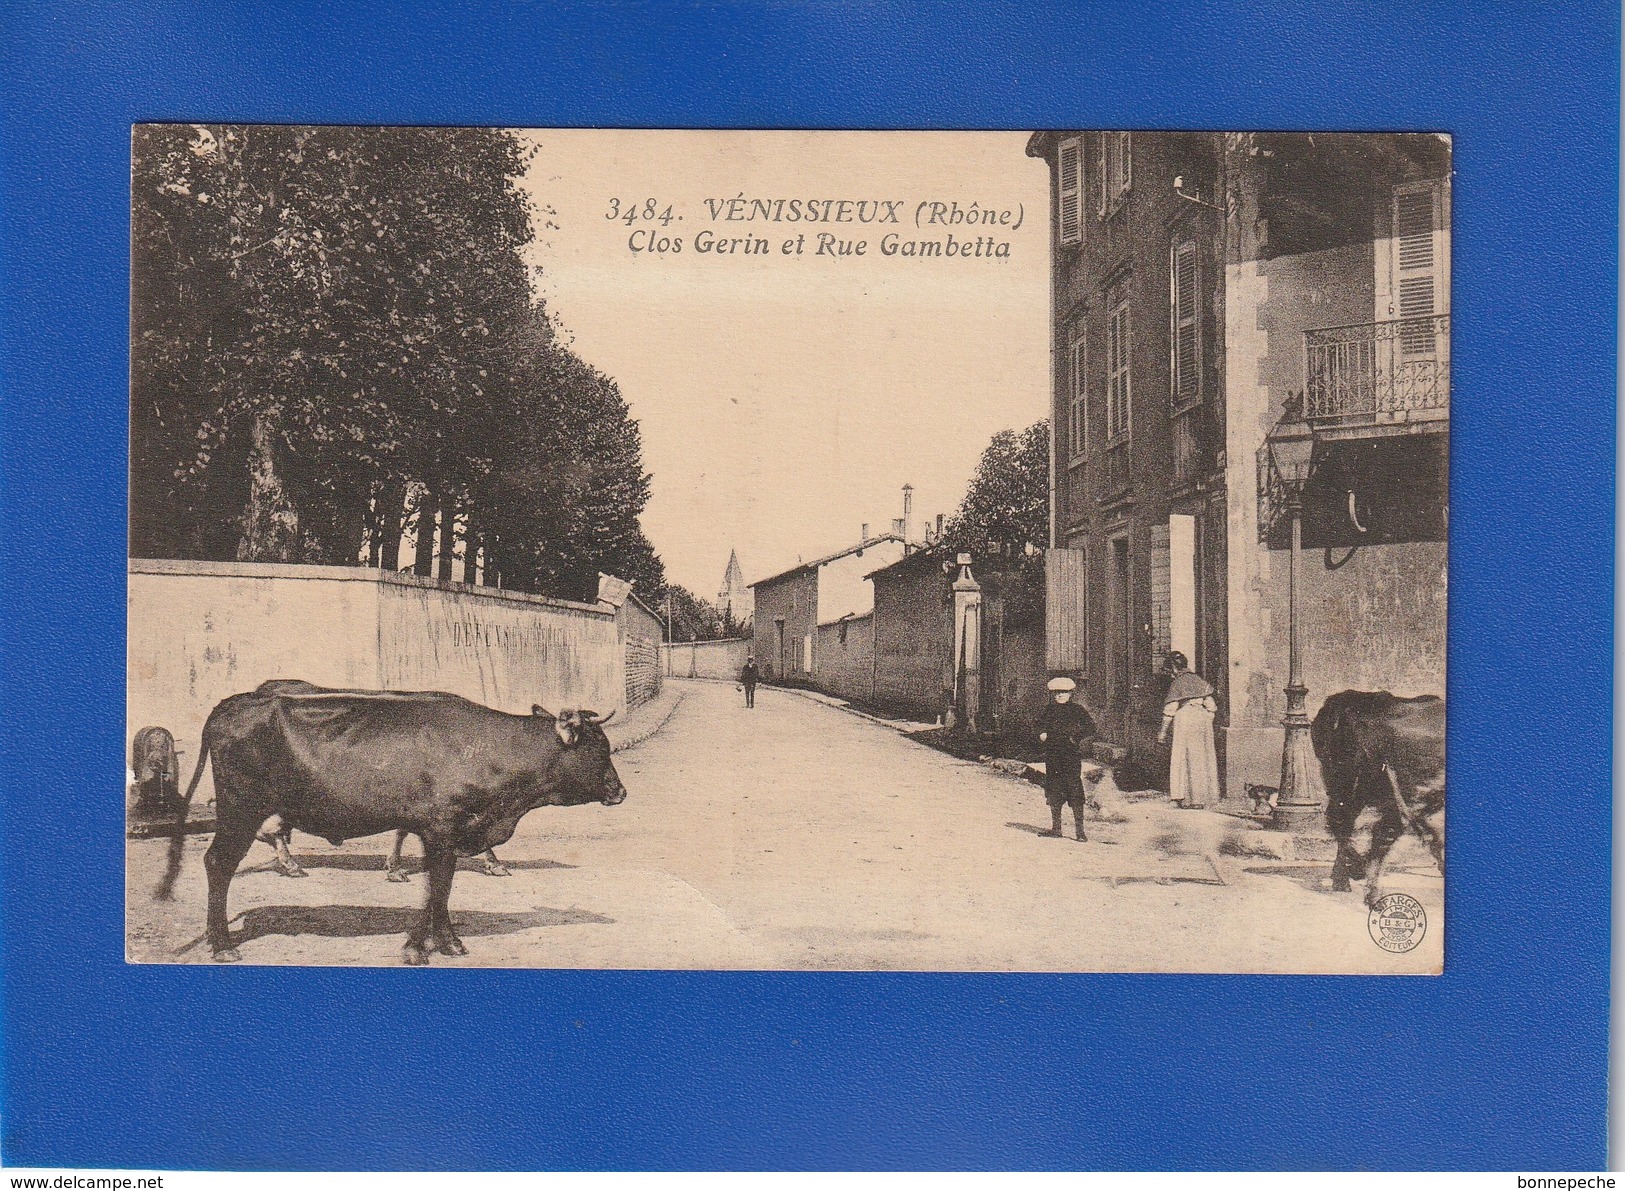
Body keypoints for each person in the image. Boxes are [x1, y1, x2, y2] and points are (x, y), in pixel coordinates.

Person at [1157, 651, 1220, 810]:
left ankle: (1184, 797)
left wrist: (1163, 732)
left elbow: (1169, 710)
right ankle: (1201, 798)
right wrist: (1206, 719)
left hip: (1184, 720)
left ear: (1174, 668)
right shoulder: (1199, 681)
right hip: (1202, 720)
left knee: (1183, 756)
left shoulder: (1178, 684)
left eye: (1170, 670)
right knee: (1201, 757)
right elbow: (1212, 707)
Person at [1036, 676, 1096, 842]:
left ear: (1071, 693)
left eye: (1063, 692)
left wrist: (1076, 738)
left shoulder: (1077, 710)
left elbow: (1091, 727)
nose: (1059, 695)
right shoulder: (1048, 710)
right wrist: (1041, 733)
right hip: (1053, 755)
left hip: (1070, 755)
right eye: (1056, 693)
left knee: (1074, 789)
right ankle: (1056, 828)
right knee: (1054, 789)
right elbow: (1038, 725)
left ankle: (1080, 832)